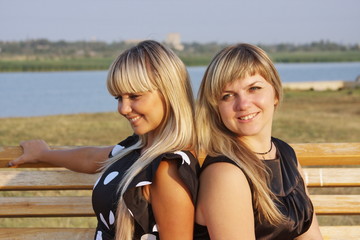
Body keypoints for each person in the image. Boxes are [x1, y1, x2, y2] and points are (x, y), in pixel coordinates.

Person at [8, 40, 200, 240]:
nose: (123, 109)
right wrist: (43, 154)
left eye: (134, 96)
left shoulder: (168, 168)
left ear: (170, 94)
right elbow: (90, 158)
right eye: (118, 98)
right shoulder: (138, 148)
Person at [194, 43, 323, 239]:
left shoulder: (285, 154)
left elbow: (311, 236)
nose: (243, 104)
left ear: (276, 94)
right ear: (216, 108)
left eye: (254, 88)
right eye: (228, 96)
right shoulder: (225, 174)